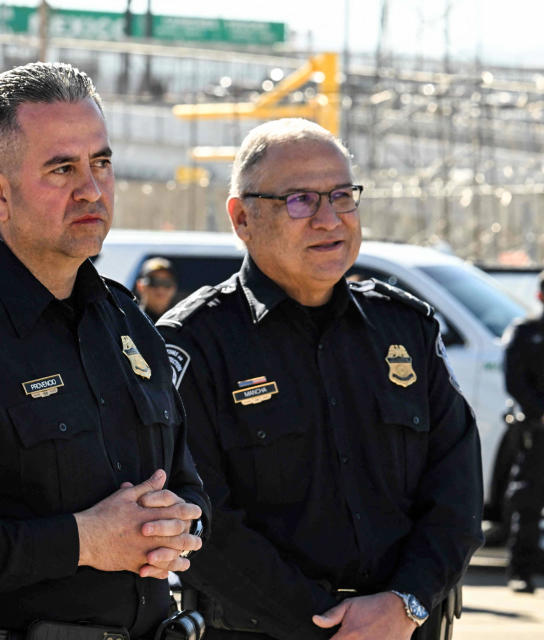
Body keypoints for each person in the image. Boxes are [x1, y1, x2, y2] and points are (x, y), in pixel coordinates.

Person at [0, 62, 209, 640]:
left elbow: (189, 484)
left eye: (101, 164)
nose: (91, 189)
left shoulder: (127, 320)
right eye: (62, 168)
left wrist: (181, 528)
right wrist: (82, 541)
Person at [157, 118, 483, 640]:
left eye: (342, 196)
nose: (330, 219)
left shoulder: (406, 329)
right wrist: (331, 627)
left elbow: (457, 495)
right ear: (242, 218)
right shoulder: (196, 343)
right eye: (301, 200)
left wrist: (407, 602)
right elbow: (201, 524)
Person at [502, 270, 544, 594]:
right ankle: (522, 571)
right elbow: (515, 381)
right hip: (537, 431)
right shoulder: (526, 332)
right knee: (528, 501)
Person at [135, 257, 178, 323]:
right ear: (140, 286)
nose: (160, 288)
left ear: (174, 288)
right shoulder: (129, 321)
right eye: (154, 282)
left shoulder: (181, 324)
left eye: (167, 283)